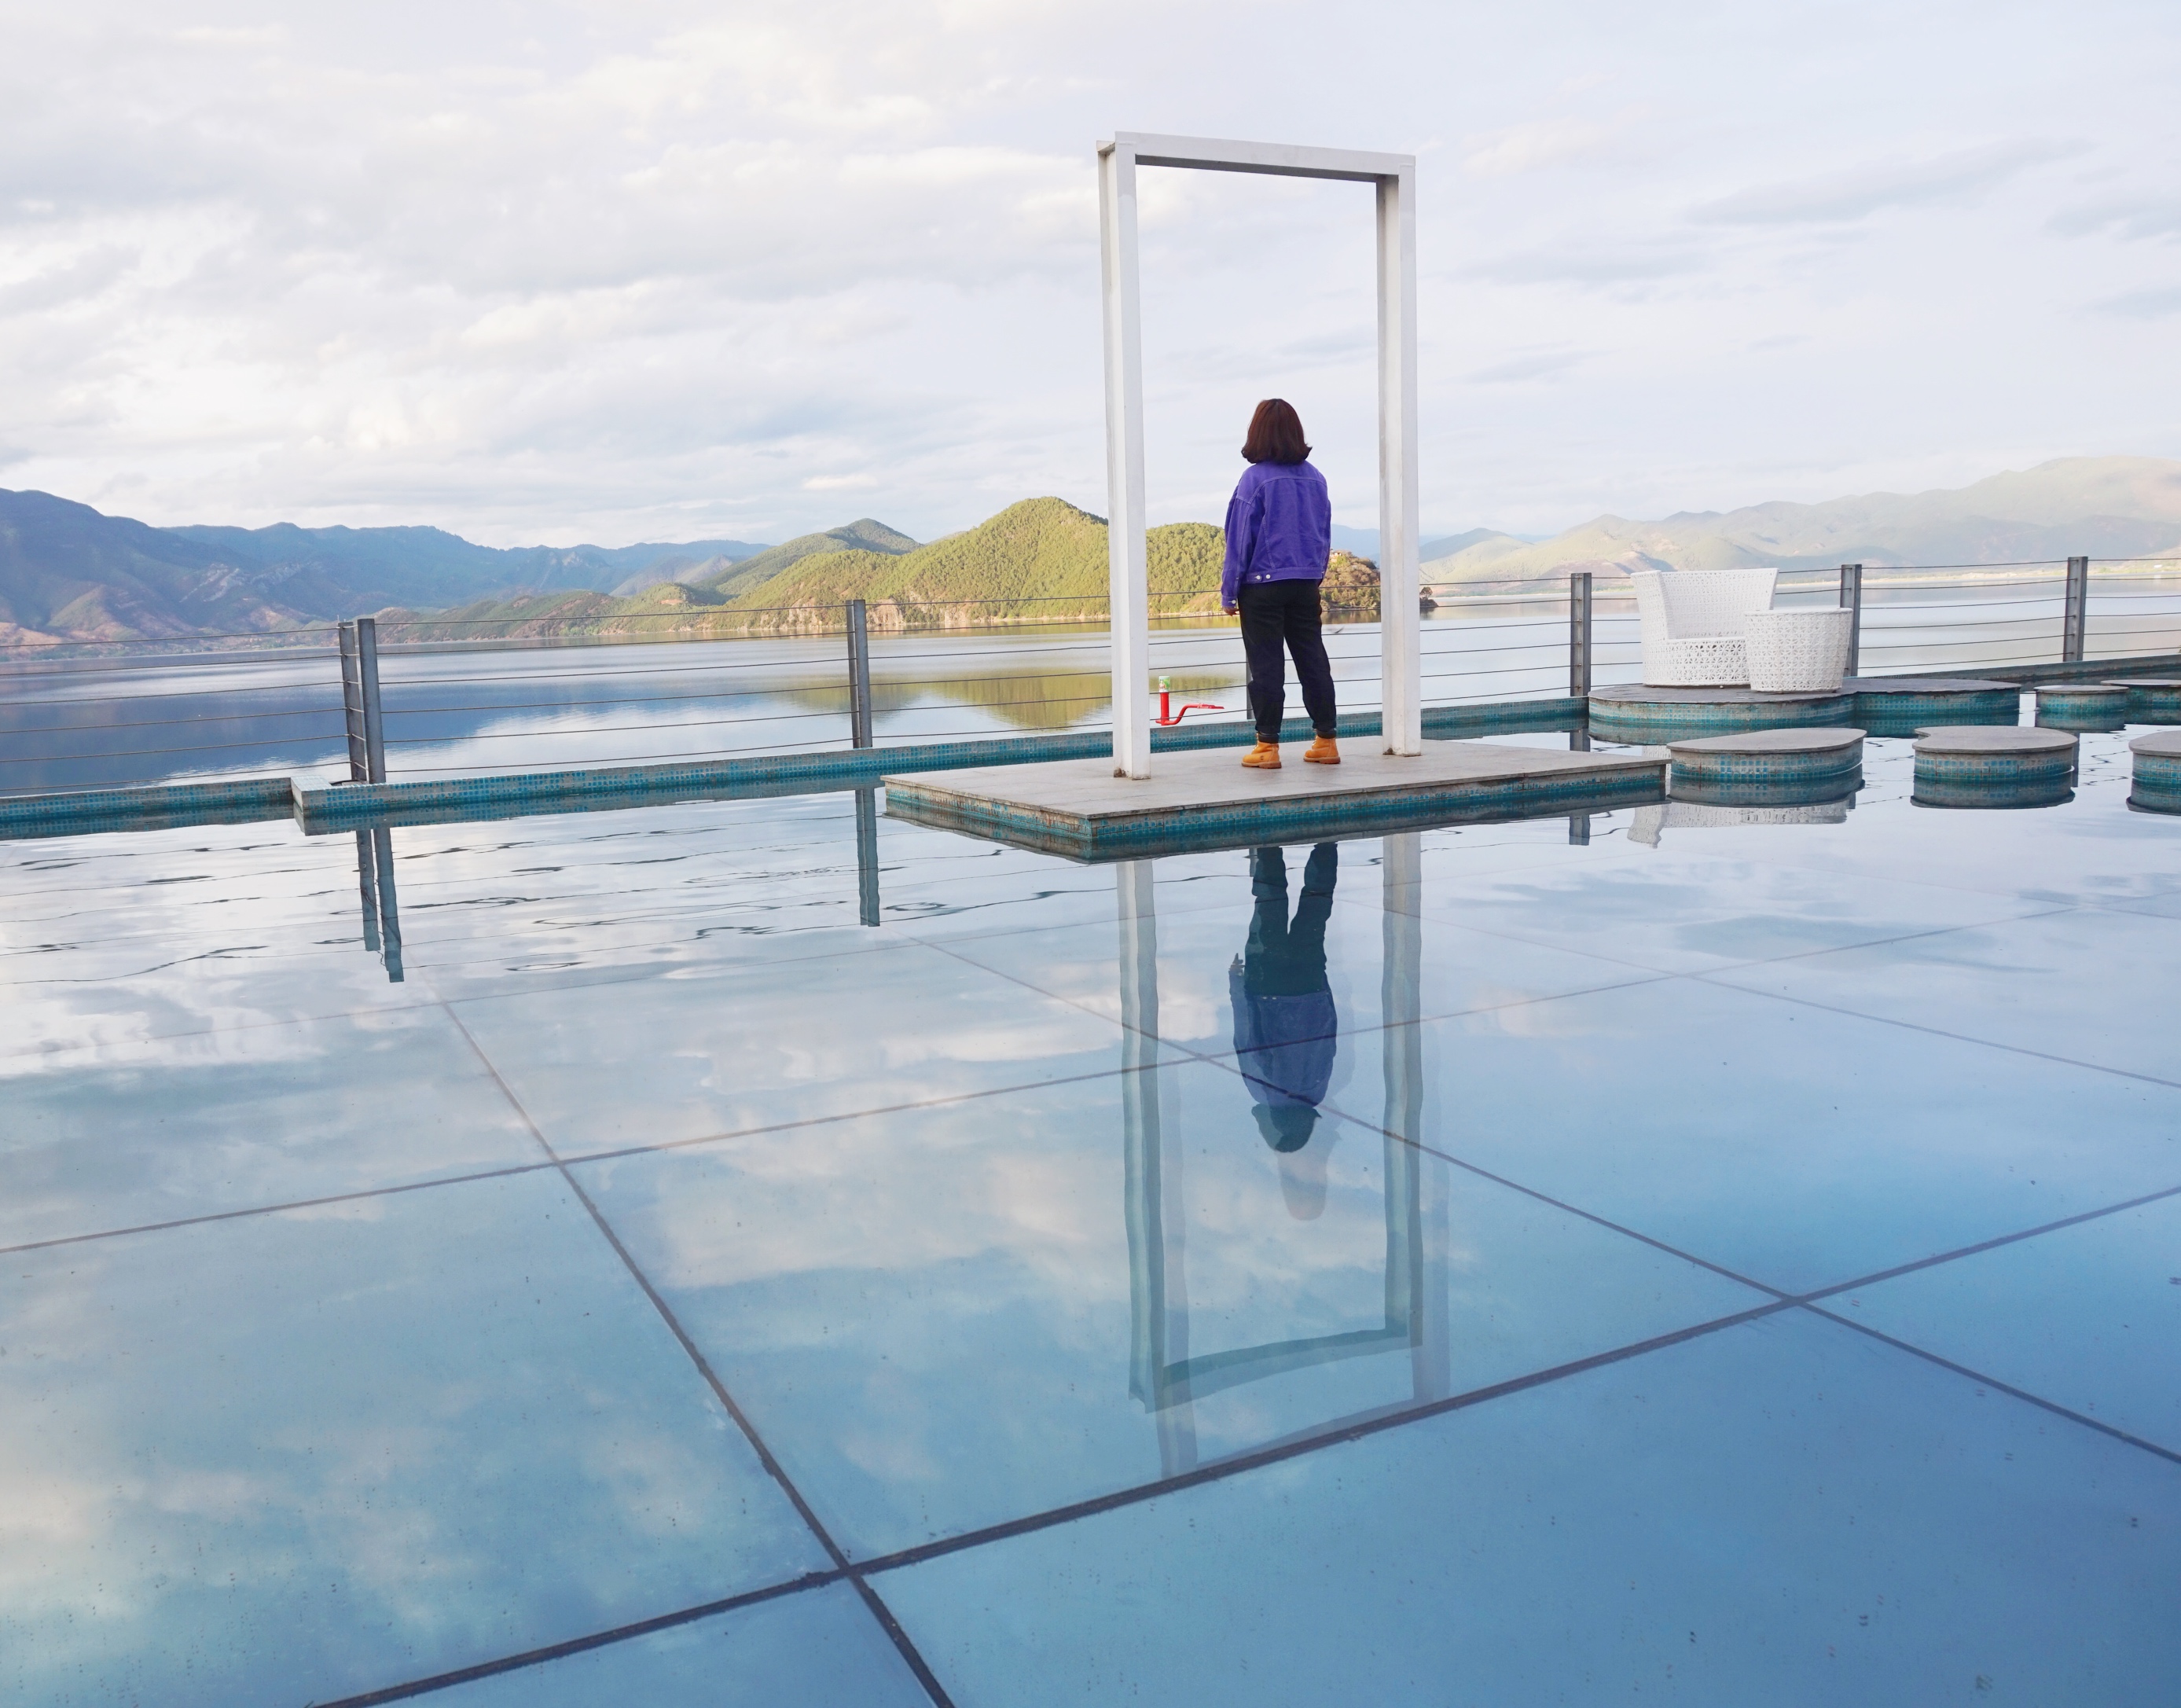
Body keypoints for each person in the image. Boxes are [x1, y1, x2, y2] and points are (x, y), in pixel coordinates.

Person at [1221, 398, 1338, 770]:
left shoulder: (1254, 480)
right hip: (1305, 583)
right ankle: (1326, 741)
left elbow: (1239, 540)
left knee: (1267, 665)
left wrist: (1229, 591)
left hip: (1263, 586)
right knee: (1313, 659)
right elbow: (1323, 533)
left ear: (1257, 433)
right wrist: (1315, 575)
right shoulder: (1316, 478)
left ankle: (1268, 747)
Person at [1229, 843, 1342, 1221]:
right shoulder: (1261, 1091)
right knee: (1270, 902)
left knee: (1316, 906)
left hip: (1309, 988)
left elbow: (1329, 1039)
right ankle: (1268, 841)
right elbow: (1246, 1037)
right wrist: (1235, 984)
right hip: (1269, 986)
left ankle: (1328, 842)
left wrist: (1322, 991)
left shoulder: (1316, 1094)